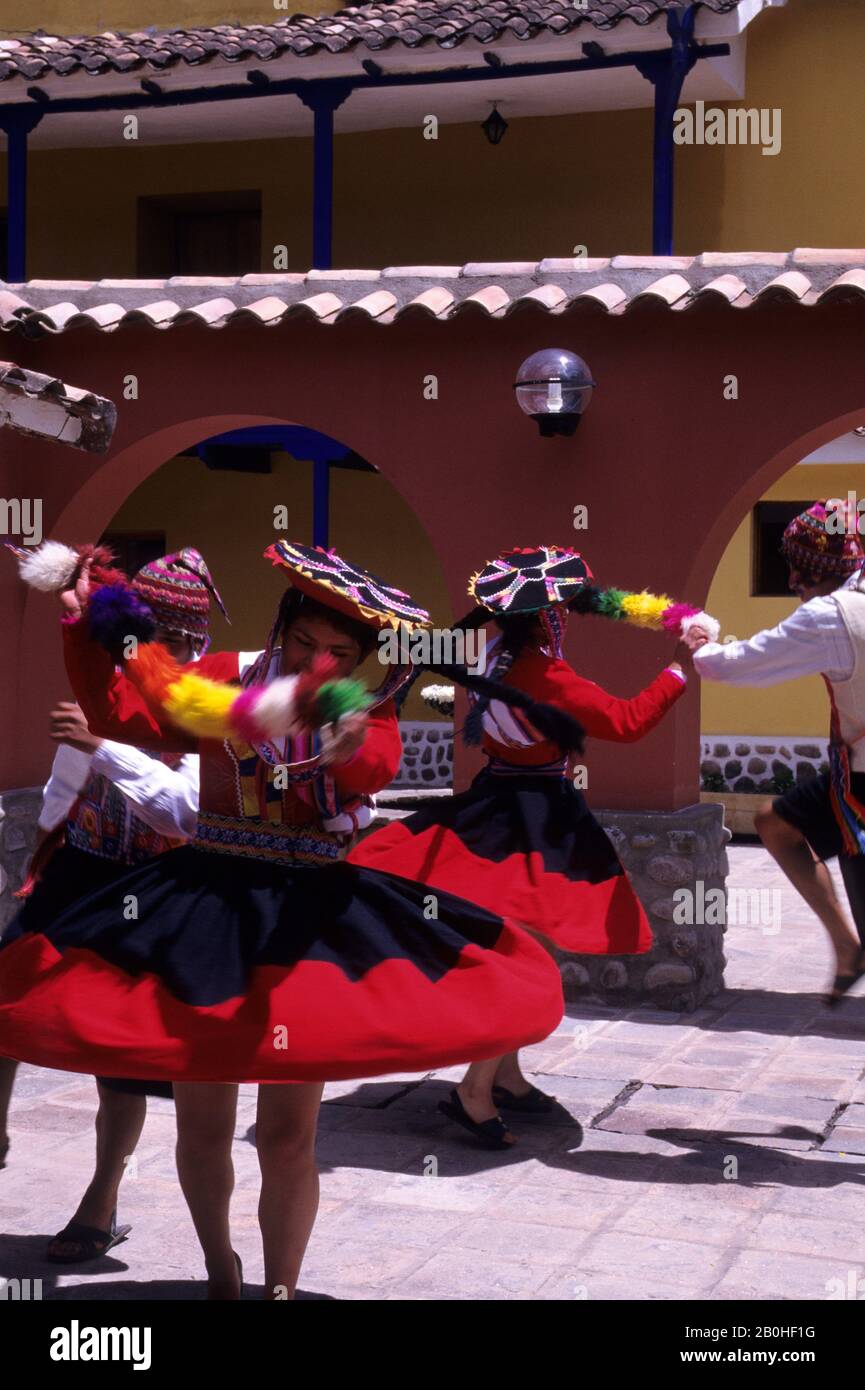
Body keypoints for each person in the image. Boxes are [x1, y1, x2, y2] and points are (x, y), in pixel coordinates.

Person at [0, 539, 573, 1299]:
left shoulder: (362, 713)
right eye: (303, 641)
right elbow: (126, 709)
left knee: (284, 1134)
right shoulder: (222, 681)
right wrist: (86, 624)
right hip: (205, 910)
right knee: (202, 1127)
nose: (315, 659)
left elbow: (372, 766)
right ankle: (219, 1274)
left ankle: (279, 1289)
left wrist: (339, 743)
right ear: (282, 629)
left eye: (337, 650)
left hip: (305, 927)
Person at [352, 544, 711, 1147]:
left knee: (524, 942)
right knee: (527, 952)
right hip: (536, 817)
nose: (566, 617)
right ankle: (474, 1088)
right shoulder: (545, 674)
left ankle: (507, 1075)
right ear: (545, 618)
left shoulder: (492, 655)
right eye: (559, 612)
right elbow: (626, 722)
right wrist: (679, 665)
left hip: (498, 802)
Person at [0, 545, 222, 1263]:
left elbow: (181, 814)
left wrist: (104, 742)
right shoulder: (111, 677)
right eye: (171, 634)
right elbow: (71, 766)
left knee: (119, 1054)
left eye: (193, 636)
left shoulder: (202, 702)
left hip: (153, 889)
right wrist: (74, 589)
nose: (184, 647)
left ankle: (100, 1203)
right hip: (79, 866)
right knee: (4, 988)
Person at [687, 500, 865, 1004]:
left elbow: (739, 665)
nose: (791, 581)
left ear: (810, 570)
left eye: (797, 569)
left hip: (861, 783)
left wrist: (697, 645)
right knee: (776, 821)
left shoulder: (829, 617)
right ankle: (847, 949)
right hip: (848, 774)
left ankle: (853, 949)